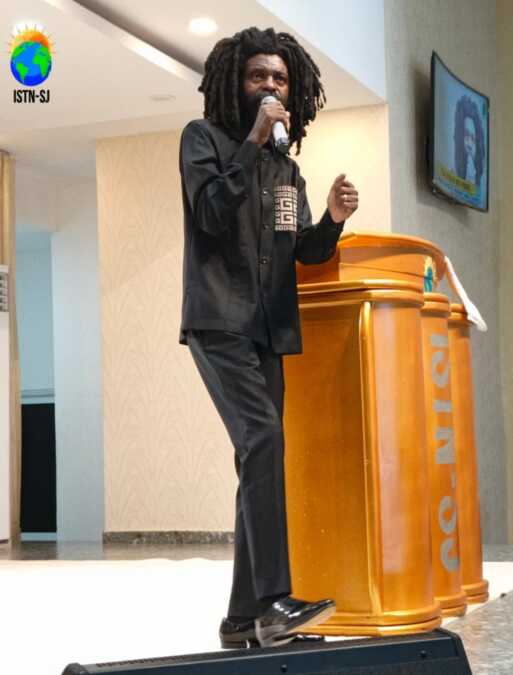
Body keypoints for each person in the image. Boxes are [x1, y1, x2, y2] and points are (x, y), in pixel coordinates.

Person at [178, 26, 359, 649]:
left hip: (269, 329)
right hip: (219, 320)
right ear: (237, 82)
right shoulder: (202, 139)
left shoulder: (287, 171)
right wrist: (253, 143)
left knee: (258, 455)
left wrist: (332, 220)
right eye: (259, 76)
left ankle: (241, 620)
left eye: (279, 78)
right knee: (263, 439)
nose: (270, 86)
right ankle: (275, 602)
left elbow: (299, 248)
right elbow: (210, 212)